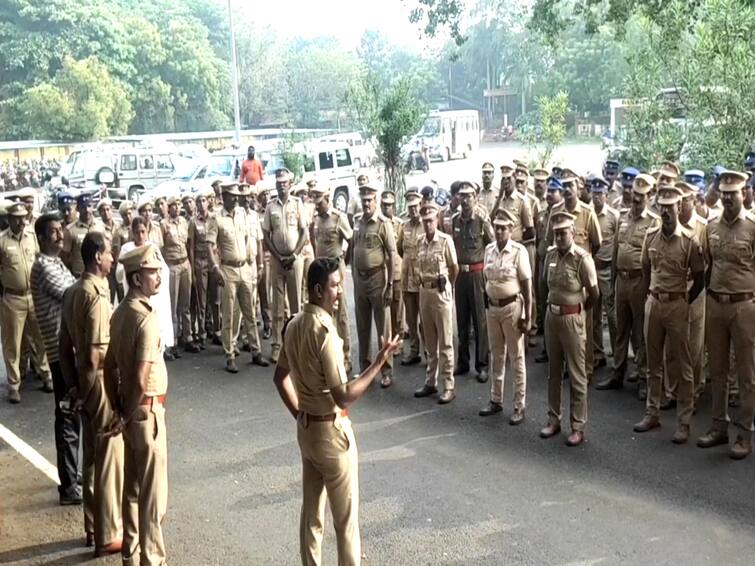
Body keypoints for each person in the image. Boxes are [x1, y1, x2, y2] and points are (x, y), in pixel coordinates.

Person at [273, 258, 400, 566]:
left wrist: (301, 414)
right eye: (334, 285)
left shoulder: (293, 325)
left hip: (307, 430)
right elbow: (343, 395)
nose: (340, 291)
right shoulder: (324, 332)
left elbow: (280, 377)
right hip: (332, 433)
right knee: (345, 523)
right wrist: (378, 364)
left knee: (312, 517)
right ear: (318, 290)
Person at [103, 244, 170, 565]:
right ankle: (152, 558)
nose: (158, 276)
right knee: (153, 495)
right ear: (135, 278)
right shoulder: (145, 318)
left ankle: (130, 555)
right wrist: (126, 412)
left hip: (130, 411)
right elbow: (142, 376)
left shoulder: (119, 314)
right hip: (146, 411)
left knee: (131, 491)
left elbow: (109, 367)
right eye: (152, 272)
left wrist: (118, 410)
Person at [59, 232, 123, 555]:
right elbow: (97, 352)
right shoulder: (95, 294)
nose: (112, 258)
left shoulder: (72, 292)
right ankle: (104, 532)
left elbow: (63, 349)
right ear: (98, 257)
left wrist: (73, 389)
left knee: (91, 455)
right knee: (106, 454)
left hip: (83, 383)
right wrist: (93, 389)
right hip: (98, 380)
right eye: (109, 253)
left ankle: (91, 526)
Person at [632, 186, 704, 444]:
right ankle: (652, 412)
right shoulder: (650, 237)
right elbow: (644, 269)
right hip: (654, 301)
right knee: (653, 363)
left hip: (677, 305)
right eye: (662, 207)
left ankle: (684, 421)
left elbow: (699, 277)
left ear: (679, 207)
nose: (665, 212)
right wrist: (647, 300)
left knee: (683, 366)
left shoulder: (689, 240)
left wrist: (685, 302)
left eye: (670, 207)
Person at [697, 170, 755, 460]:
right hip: (716, 304)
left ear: (744, 194)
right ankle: (719, 427)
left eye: (734, 193)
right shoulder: (711, 227)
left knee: (746, 374)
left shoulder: (753, 227)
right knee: (717, 370)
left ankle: (745, 434)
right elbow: (708, 264)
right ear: (719, 193)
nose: (729, 197)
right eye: (725, 192)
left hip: (745, 306)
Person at [30, 213, 81, 504]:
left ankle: (72, 477)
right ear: (41, 238)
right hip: (59, 353)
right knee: (66, 417)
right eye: (53, 232)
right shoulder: (42, 267)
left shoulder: (56, 262)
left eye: (61, 230)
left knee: (73, 415)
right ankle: (68, 487)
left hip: (68, 349)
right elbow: (73, 292)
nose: (60, 235)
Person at [596, 174, 660, 396]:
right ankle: (618, 371)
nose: (636, 199)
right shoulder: (623, 218)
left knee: (641, 332)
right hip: (622, 280)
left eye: (641, 196)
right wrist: (613, 282)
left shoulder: (653, 222)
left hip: (640, 281)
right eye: (635, 194)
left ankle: (643, 376)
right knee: (621, 329)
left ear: (649, 196)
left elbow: (654, 259)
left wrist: (650, 287)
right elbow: (615, 252)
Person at [540, 211, 599, 447]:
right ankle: (554, 419)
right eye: (556, 233)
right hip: (551, 317)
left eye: (563, 233)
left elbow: (594, 293)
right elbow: (544, 284)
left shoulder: (582, 259)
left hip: (572, 318)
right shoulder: (550, 255)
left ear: (572, 233)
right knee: (554, 372)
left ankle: (578, 426)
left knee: (577, 374)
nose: (560, 237)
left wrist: (580, 311)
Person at [207, 182, 269, 372]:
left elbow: (248, 240)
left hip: (244, 268)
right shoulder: (216, 218)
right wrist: (215, 267)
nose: (235, 198)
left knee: (249, 312)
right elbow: (210, 246)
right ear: (223, 196)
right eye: (232, 195)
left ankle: (255, 351)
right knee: (229, 314)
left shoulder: (242, 214)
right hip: (228, 270)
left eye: (236, 195)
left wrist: (253, 262)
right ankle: (230, 354)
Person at [479, 209, 532, 424]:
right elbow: (486, 280)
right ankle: (496, 399)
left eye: (504, 228)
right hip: (493, 308)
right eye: (497, 227)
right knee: (496, 355)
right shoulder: (489, 250)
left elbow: (528, 286)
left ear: (511, 229)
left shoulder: (519, 251)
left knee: (516, 356)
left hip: (512, 308)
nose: (499, 231)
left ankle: (519, 405)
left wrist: (528, 315)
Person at [0, 202, 52, 403]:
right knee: (12, 343)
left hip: (33, 296)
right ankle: (14, 385)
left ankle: (46, 374)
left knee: (40, 338)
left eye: (24, 217)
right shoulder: (2, 241)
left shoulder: (31, 237)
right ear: (10, 219)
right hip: (12, 298)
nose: (22, 221)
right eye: (18, 218)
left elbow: (40, 261)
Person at [413, 202, 459, 404]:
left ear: (437, 220)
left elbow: (454, 267)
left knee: (445, 341)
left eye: (430, 220)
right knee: (429, 340)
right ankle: (430, 381)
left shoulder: (445, 240)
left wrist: (449, 287)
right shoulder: (420, 242)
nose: (427, 225)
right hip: (425, 291)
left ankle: (448, 385)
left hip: (441, 292)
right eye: (425, 221)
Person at [351, 184, 396, 387]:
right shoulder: (357, 222)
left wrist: (391, 284)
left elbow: (392, 254)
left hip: (377, 279)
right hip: (360, 280)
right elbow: (353, 250)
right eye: (364, 200)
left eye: (369, 200)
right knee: (362, 327)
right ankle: (365, 369)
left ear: (375, 201)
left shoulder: (383, 223)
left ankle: (386, 370)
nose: (366, 203)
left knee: (382, 329)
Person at [263, 169, 307, 363]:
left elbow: (304, 232)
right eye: (278, 182)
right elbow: (266, 235)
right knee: (277, 305)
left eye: (284, 182)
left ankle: (296, 344)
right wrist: (278, 255)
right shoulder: (270, 207)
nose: (281, 185)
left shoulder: (297, 204)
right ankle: (276, 345)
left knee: (296, 302)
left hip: (294, 260)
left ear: (290, 184)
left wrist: (294, 254)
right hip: (277, 261)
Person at [451, 181, 493, 382]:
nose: (465, 200)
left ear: (475, 198)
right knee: (461, 320)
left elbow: (492, 247)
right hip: (460, 275)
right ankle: (463, 361)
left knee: (479, 321)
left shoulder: (482, 221)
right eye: (462, 196)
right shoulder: (454, 221)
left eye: (468, 196)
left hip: (477, 274)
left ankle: (482, 364)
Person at [310, 183, 353, 372]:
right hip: (321, 271)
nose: (317, 206)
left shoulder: (338, 218)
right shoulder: (316, 219)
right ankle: (327, 354)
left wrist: (345, 261)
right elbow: (313, 240)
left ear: (327, 199)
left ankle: (345, 356)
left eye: (319, 202)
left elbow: (351, 239)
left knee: (340, 313)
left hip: (335, 269)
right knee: (323, 313)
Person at [120, 218, 175, 362]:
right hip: (136, 291)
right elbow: (120, 273)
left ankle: (159, 349)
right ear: (132, 233)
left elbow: (163, 268)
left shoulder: (152, 247)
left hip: (152, 293)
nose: (140, 235)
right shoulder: (127, 248)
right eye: (137, 232)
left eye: (143, 232)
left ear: (147, 232)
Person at [161, 196, 198, 356]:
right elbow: (161, 248)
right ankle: (173, 340)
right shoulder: (163, 224)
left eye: (177, 205)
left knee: (186, 303)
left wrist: (190, 263)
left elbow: (188, 244)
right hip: (172, 265)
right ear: (168, 208)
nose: (176, 208)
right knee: (173, 305)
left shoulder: (184, 221)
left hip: (185, 264)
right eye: (173, 205)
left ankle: (187, 336)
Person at [590, 176, 620, 370]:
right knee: (594, 314)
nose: (597, 197)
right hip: (592, 268)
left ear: (606, 195)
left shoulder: (614, 216)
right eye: (594, 194)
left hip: (608, 270)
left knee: (612, 315)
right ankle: (597, 352)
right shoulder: (588, 213)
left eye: (600, 194)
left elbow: (618, 245)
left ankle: (618, 355)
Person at [398, 190, 424, 366]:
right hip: (407, 279)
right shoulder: (404, 226)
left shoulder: (427, 224)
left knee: (426, 320)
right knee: (411, 319)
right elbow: (400, 249)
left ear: (420, 205)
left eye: (415, 206)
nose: (413, 210)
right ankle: (414, 351)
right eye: (410, 207)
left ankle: (429, 353)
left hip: (422, 279)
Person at [380, 190, 405, 355]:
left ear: (394, 207)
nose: (387, 208)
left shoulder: (399, 224)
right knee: (384, 313)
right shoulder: (378, 224)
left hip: (396, 272)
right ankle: (386, 343)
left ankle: (399, 342)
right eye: (384, 205)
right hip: (381, 274)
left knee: (397, 311)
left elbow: (402, 248)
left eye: (390, 205)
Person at [188, 190, 213, 349]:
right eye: (199, 201)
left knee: (215, 298)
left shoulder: (214, 219)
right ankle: (202, 332)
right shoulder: (193, 222)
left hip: (213, 261)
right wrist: (192, 268)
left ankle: (215, 329)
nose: (201, 203)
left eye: (204, 200)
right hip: (199, 261)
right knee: (201, 300)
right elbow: (190, 247)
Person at [62, 193, 99, 278]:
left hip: (99, 275)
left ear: (93, 207)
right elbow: (65, 258)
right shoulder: (69, 230)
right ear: (78, 209)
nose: (87, 210)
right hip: (79, 277)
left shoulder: (100, 226)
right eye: (83, 207)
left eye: (89, 206)